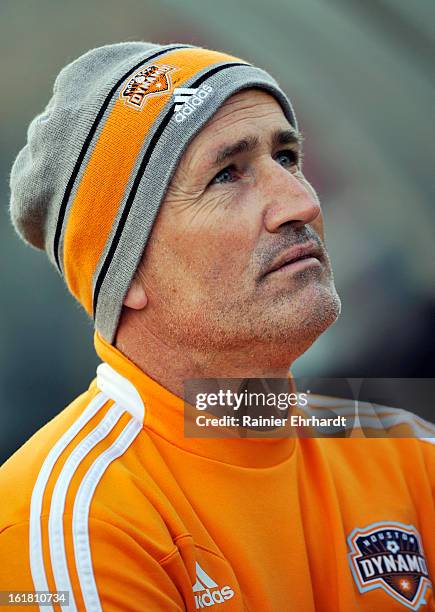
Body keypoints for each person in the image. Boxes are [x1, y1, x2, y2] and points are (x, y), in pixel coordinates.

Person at [1, 41, 434, 611]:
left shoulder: (406, 449)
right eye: (227, 175)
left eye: (286, 157)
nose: (299, 202)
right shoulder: (72, 522)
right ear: (124, 272)